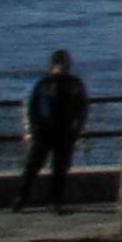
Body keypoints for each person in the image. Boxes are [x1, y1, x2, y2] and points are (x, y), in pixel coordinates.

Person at [13, 52, 89, 211]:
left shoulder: (72, 84)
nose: (62, 69)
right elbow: (31, 108)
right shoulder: (45, 84)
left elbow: (82, 108)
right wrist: (32, 130)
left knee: (59, 168)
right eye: (60, 65)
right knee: (33, 166)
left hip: (64, 132)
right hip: (44, 132)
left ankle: (55, 200)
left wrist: (78, 129)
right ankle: (22, 197)